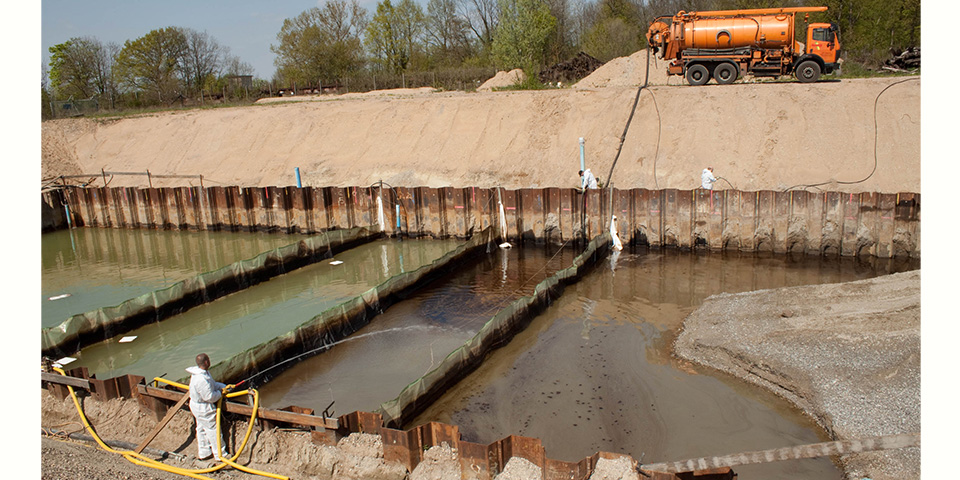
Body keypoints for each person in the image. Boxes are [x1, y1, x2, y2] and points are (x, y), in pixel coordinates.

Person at [187, 353, 229, 463]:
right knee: (213, 429)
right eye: (209, 359)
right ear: (206, 362)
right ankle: (220, 454)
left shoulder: (202, 373)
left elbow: (212, 385)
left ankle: (204, 452)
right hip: (203, 408)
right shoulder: (201, 379)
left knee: (201, 428)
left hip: (196, 405)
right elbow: (209, 397)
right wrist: (220, 393)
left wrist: (224, 387)